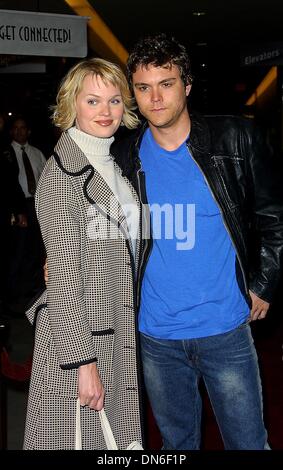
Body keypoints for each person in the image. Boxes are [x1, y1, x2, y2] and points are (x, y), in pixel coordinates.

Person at [110, 33, 283, 450]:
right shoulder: (122, 157)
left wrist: (264, 284)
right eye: (143, 87)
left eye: (166, 84)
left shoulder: (235, 139)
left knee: (247, 443)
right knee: (176, 446)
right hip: (154, 335)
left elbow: (275, 218)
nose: (155, 98)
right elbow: (100, 229)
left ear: (186, 86)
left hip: (224, 330)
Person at [23, 58, 144, 450]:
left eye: (113, 100)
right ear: (71, 104)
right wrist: (83, 365)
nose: (105, 112)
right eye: (93, 101)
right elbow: (64, 279)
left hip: (116, 329)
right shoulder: (61, 179)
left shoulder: (114, 165)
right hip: (82, 344)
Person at [2, 116, 46, 312]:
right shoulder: (6, 153)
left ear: (28, 131)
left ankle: (32, 292)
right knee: (16, 252)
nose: (20, 132)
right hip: (16, 208)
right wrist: (17, 210)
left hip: (36, 205)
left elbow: (46, 180)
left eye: (23, 128)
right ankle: (12, 296)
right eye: (16, 128)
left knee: (36, 251)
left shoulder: (37, 153)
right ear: (11, 132)